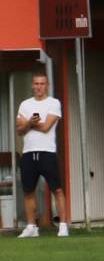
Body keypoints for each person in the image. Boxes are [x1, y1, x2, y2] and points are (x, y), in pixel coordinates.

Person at [15, 73, 69, 238]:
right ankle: (32, 226)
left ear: (47, 85)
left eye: (42, 83)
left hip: (47, 152)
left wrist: (29, 123)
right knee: (28, 191)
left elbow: (46, 127)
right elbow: (19, 130)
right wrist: (28, 124)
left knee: (57, 190)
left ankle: (63, 225)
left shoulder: (54, 103)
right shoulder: (25, 104)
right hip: (29, 153)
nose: (39, 87)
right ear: (32, 85)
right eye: (36, 84)